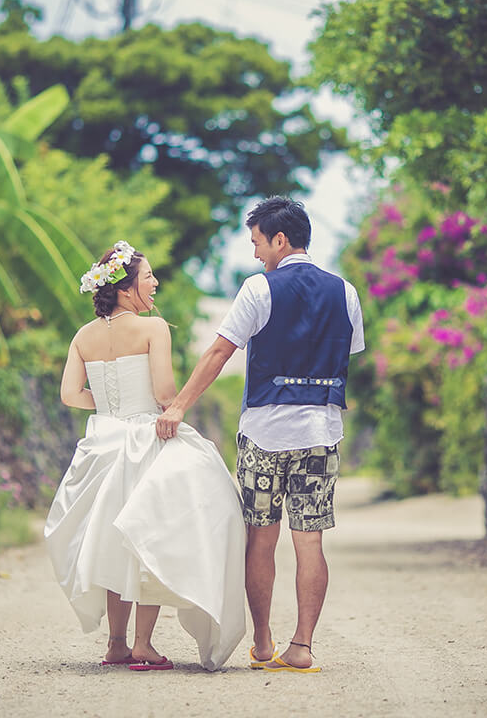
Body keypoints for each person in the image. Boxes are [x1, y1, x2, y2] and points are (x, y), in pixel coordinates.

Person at [156, 197, 365, 674]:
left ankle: (265, 643)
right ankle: (303, 647)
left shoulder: (259, 288)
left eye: (256, 243)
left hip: (265, 432)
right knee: (310, 540)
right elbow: (347, 351)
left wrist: (179, 405)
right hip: (322, 431)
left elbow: (218, 352)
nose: (255, 254)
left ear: (279, 239)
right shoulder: (346, 291)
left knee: (261, 540)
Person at [44, 240, 246, 672]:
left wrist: (108, 406)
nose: (154, 282)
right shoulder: (153, 328)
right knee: (153, 535)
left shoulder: (83, 336)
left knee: (114, 541)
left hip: (103, 442)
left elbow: (68, 395)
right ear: (123, 288)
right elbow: (163, 395)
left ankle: (116, 644)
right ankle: (143, 644)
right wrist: (153, 407)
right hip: (145, 438)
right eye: (147, 276)